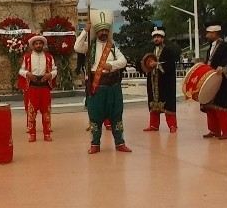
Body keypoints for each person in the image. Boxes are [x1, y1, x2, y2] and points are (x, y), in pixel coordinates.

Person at [75, 20, 132, 154]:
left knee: (116, 114)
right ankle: (95, 144)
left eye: (106, 31)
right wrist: (85, 31)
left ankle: (120, 143)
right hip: (97, 86)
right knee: (95, 114)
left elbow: (123, 61)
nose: (104, 33)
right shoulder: (89, 46)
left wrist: (111, 65)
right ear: (97, 32)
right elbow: (77, 47)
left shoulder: (112, 47)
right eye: (101, 31)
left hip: (113, 86)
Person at [18, 33, 57, 141]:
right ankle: (32, 134)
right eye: (36, 44)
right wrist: (27, 74)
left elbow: (55, 70)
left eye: (40, 43)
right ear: (33, 45)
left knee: (46, 111)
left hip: (45, 87)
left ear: (43, 45)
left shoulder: (49, 57)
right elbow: (20, 70)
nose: (39, 45)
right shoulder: (27, 57)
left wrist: (50, 75)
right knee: (31, 111)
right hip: (32, 87)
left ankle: (47, 134)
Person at [143, 27, 180, 133]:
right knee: (153, 103)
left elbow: (170, 65)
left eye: (158, 37)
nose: (156, 39)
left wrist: (157, 65)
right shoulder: (150, 51)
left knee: (168, 103)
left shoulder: (168, 50)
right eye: (154, 37)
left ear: (163, 38)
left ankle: (172, 125)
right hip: (153, 80)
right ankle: (154, 125)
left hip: (165, 81)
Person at [201, 23, 227, 140]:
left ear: (214, 33)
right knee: (211, 106)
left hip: (221, 80)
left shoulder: (224, 46)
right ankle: (214, 130)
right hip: (211, 80)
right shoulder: (211, 47)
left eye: (208, 33)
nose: (207, 35)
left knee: (221, 107)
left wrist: (222, 67)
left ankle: (226, 131)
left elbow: (225, 61)